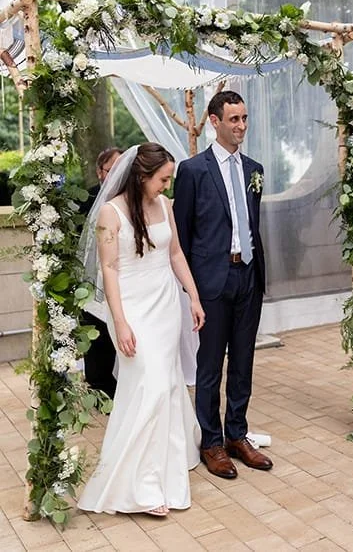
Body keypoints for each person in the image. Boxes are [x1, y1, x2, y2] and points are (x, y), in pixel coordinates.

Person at [77, 143, 204, 516]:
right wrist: (119, 321)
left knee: (168, 383)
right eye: (163, 179)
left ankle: (166, 462)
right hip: (132, 309)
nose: (167, 185)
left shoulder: (165, 205)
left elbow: (175, 254)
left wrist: (193, 297)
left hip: (165, 305)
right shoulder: (110, 212)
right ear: (141, 176)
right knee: (149, 386)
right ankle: (141, 485)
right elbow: (109, 268)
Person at [173, 90, 272, 480]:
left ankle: (236, 435)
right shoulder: (192, 170)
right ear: (214, 121)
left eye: (244, 118)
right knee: (210, 366)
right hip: (212, 281)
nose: (241, 125)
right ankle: (211, 443)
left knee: (243, 363)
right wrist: (193, 290)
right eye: (234, 119)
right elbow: (182, 235)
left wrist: (254, 272)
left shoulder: (254, 169)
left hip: (248, 276)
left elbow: (252, 223)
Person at [79, 147, 123, 399]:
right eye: (111, 169)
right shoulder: (88, 199)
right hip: (93, 281)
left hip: (123, 276)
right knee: (97, 336)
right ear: (100, 172)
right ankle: (98, 386)